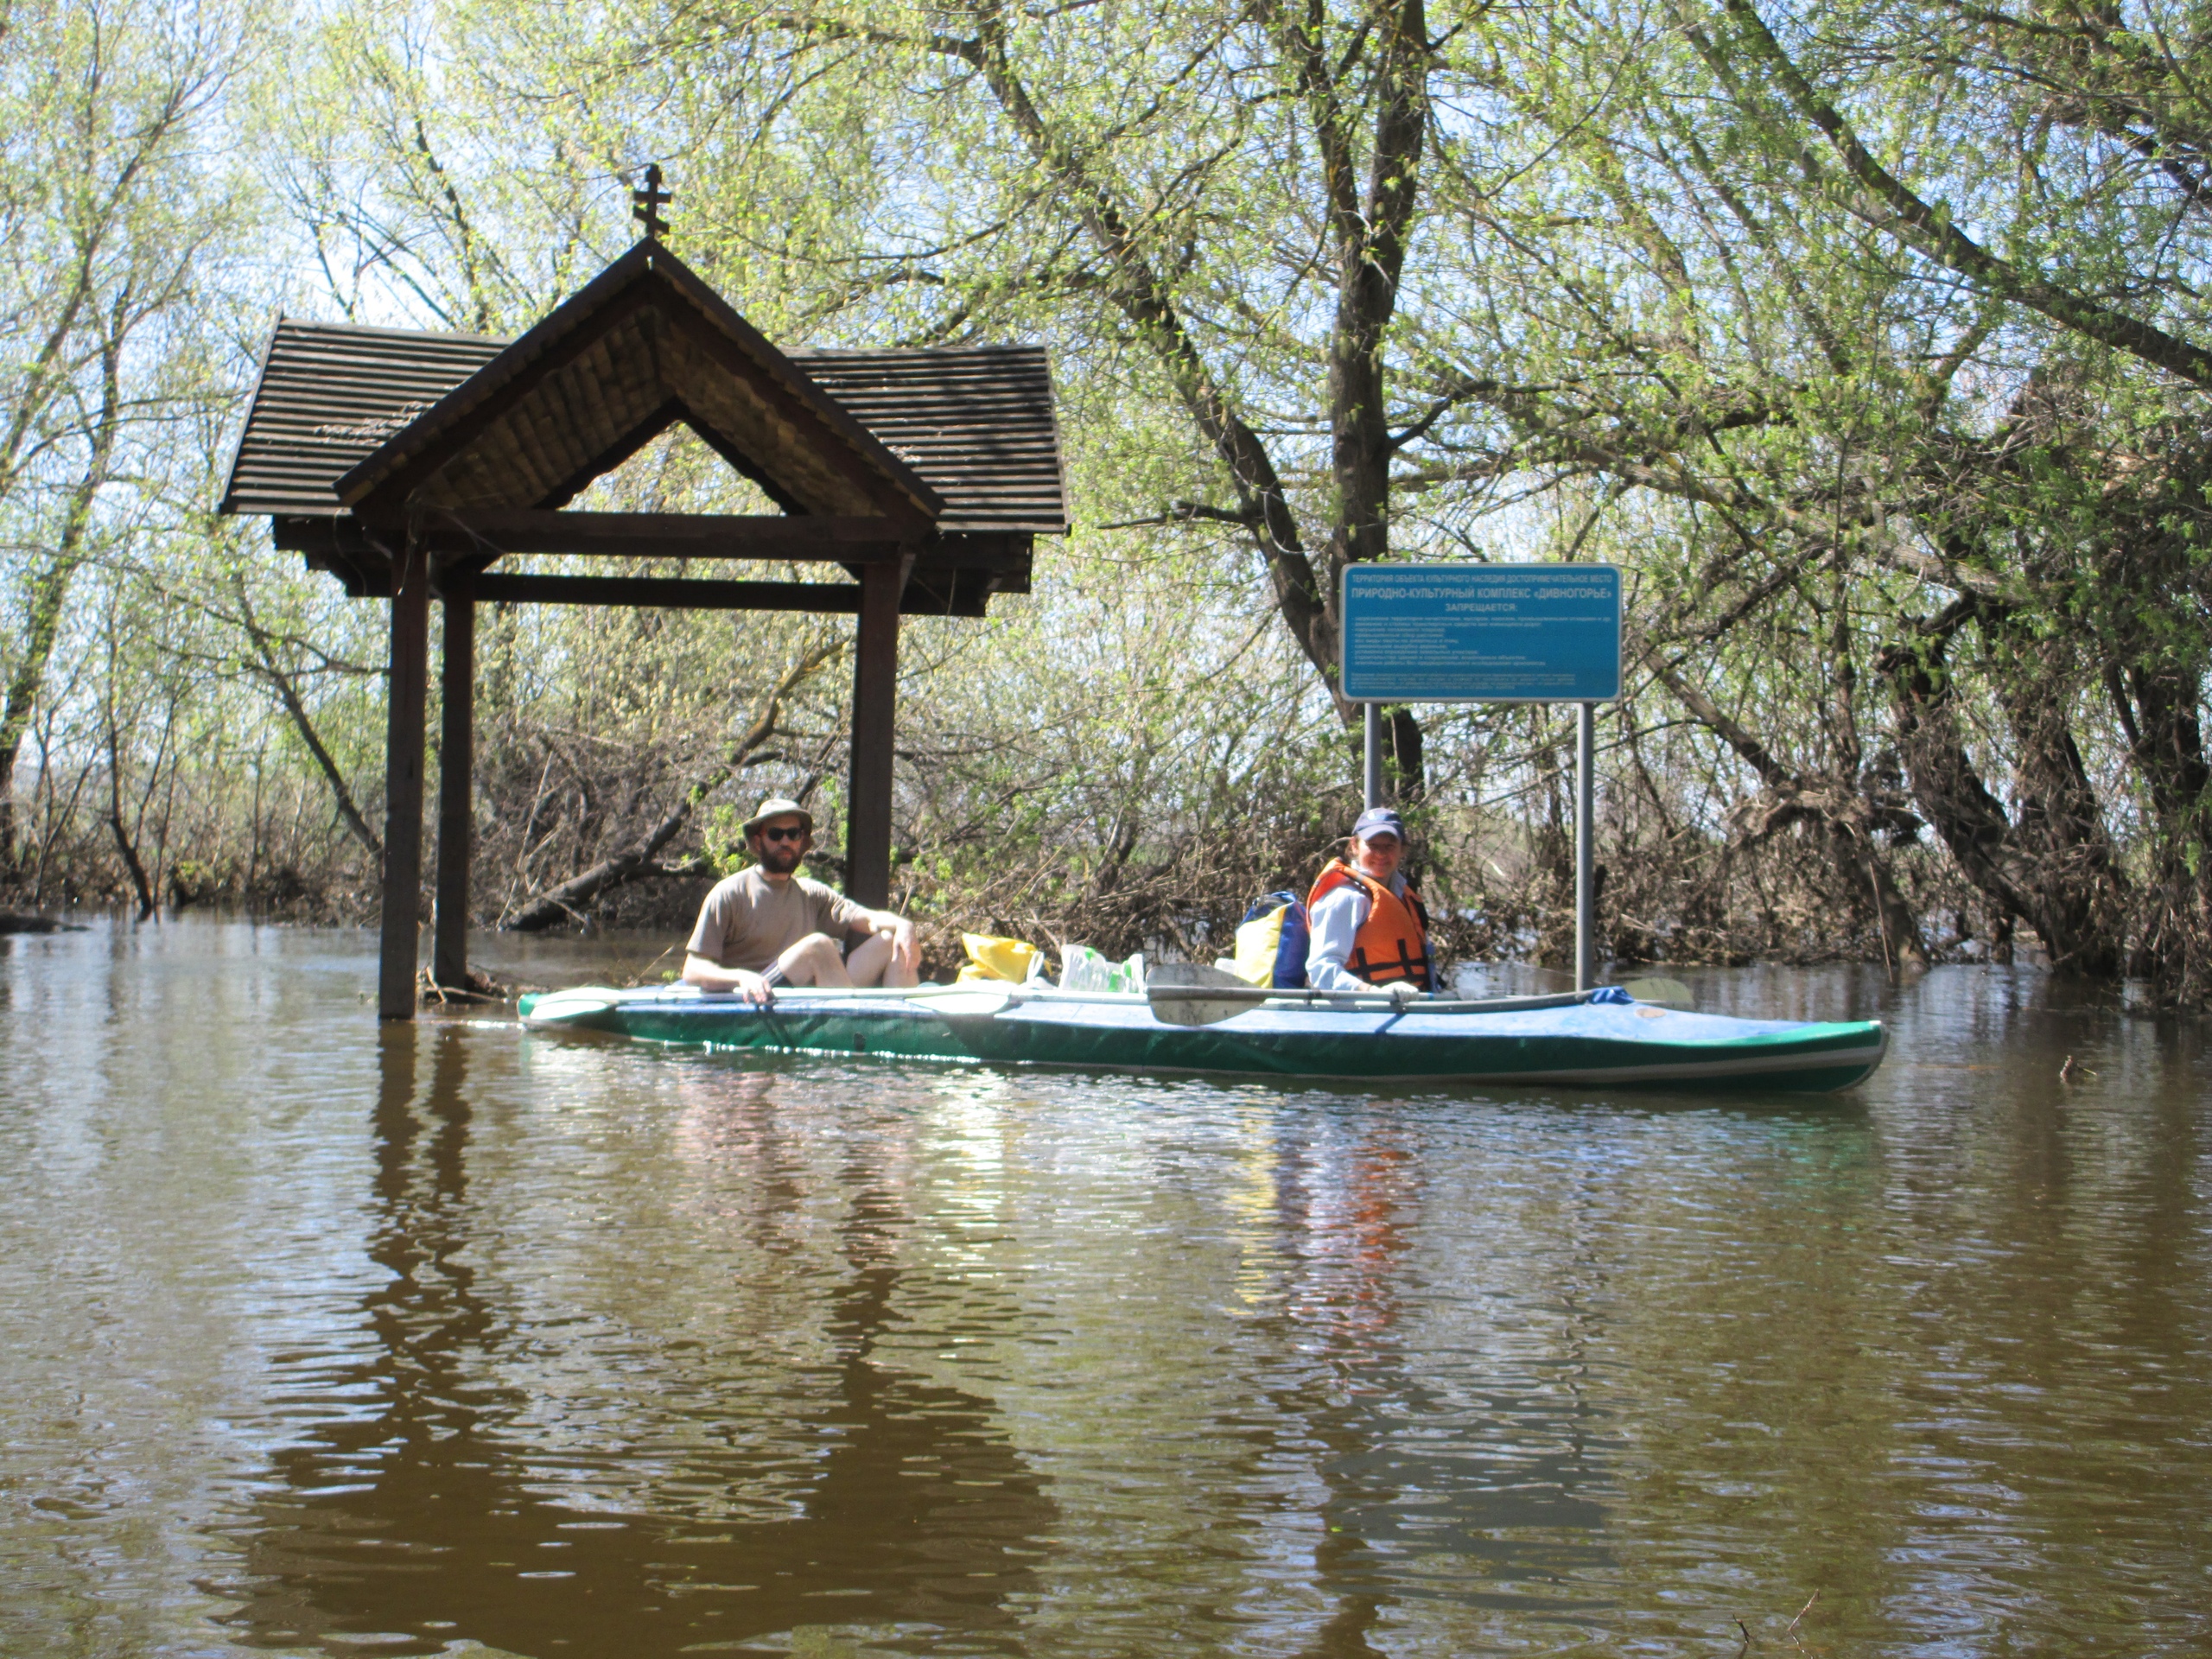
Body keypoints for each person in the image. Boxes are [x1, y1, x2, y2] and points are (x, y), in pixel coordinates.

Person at [682, 798, 919, 1003]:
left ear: (802, 842)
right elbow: (692, 970)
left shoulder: (813, 894)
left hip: (803, 993)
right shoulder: (729, 893)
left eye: (793, 834)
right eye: (775, 834)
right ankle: (851, 1030)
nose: (785, 842)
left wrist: (903, 926)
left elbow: (869, 919)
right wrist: (741, 976)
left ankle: (906, 1030)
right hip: (757, 997)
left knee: (891, 939)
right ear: (757, 842)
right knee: (817, 947)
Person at [1304, 805, 1437, 998]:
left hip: (1407, 1010)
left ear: (1402, 850)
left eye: (1389, 846)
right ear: (1355, 846)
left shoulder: (1404, 895)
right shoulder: (1344, 897)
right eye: (1373, 846)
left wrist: (1448, 992)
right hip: (1359, 1012)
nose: (1381, 854)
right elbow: (1321, 971)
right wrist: (1373, 992)